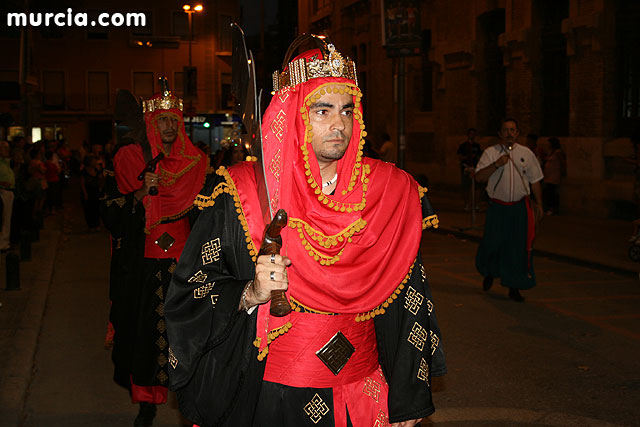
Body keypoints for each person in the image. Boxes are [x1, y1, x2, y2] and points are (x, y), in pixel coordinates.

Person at [164, 39, 446, 427]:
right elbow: (189, 291)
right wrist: (250, 293)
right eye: (322, 110)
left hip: (363, 394)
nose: (339, 124)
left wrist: (407, 400)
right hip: (273, 397)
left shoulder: (390, 193)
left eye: (347, 110)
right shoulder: (241, 193)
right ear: (293, 115)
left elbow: (411, 299)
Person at [100, 83, 208, 427]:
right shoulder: (130, 157)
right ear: (150, 122)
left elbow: (207, 213)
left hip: (185, 262)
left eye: (174, 120)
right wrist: (139, 194)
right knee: (146, 335)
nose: (169, 127)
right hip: (144, 263)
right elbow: (111, 211)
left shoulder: (197, 162)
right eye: (162, 120)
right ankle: (146, 403)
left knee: (189, 333)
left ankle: (190, 397)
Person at [474, 118, 544, 302]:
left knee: (517, 248)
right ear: (500, 134)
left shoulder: (526, 154)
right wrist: (496, 164)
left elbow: (535, 180)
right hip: (498, 207)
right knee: (492, 243)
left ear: (517, 133)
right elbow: (479, 177)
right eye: (505, 130)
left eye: (512, 130)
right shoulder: (491, 153)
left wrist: (540, 203)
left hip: (519, 208)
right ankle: (489, 272)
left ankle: (514, 285)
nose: (509, 133)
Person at [456, 128, 481, 211]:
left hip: (475, 168)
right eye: (470, 134)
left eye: (473, 134)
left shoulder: (477, 146)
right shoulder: (463, 145)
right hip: (466, 168)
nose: (472, 136)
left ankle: (476, 204)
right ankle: (467, 204)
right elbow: (459, 156)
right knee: (466, 187)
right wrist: (466, 157)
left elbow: (480, 156)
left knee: (476, 188)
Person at [542, 137, 565, 215]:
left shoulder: (558, 152)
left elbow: (562, 162)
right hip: (548, 176)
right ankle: (548, 207)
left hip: (554, 176)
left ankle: (553, 208)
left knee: (552, 192)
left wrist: (563, 172)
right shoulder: (550, 152)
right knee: (547, 191)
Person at [0, 141, 15, 251]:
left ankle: (5, 243)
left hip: (9, 191)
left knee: (7, 219)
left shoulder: (6, 162)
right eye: (4, 148)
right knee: (3, 218)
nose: (7, 150)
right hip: (2, 192)